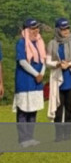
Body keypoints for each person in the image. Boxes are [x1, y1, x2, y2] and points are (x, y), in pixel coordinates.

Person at [46, 18, 71, 141]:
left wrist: (70, 63)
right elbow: (47, 62)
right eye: (63, 29)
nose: (66, 31)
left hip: (70, 77)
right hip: (58, 79)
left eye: (67, 28)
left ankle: (68, 134)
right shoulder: (52, 43)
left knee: (70, 107)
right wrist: (57, 64)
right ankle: (58, 135)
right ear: (57, 30)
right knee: (58, 108)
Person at [14, 18, 46, 147]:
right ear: (26, 30)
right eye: (32, 28)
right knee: (23, 111)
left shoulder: (39, 43)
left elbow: (44, 59)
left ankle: (30, 137)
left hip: (36, 83)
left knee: (33, 110)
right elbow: (22, 61)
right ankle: (23, 139)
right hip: (25, 81)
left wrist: (42, 74)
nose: (35, 31)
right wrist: (36, 74)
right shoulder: (21, 43)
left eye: (37, 28)